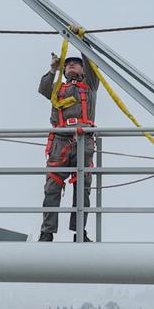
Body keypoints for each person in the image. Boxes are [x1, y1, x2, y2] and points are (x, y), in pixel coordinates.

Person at [37, 41, 99, 242]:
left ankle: (79, 231)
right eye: (68, 63)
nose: (71, 65)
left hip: (83, 141)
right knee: (52, 187)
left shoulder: (89, 87)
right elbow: (43, 88)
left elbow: (92, 66)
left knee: (83, 188)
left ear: (82, 69)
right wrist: (53, 69)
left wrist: (81, 42)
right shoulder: (57, 90)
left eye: (76, 63)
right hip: (60, 142)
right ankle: (47, 232)